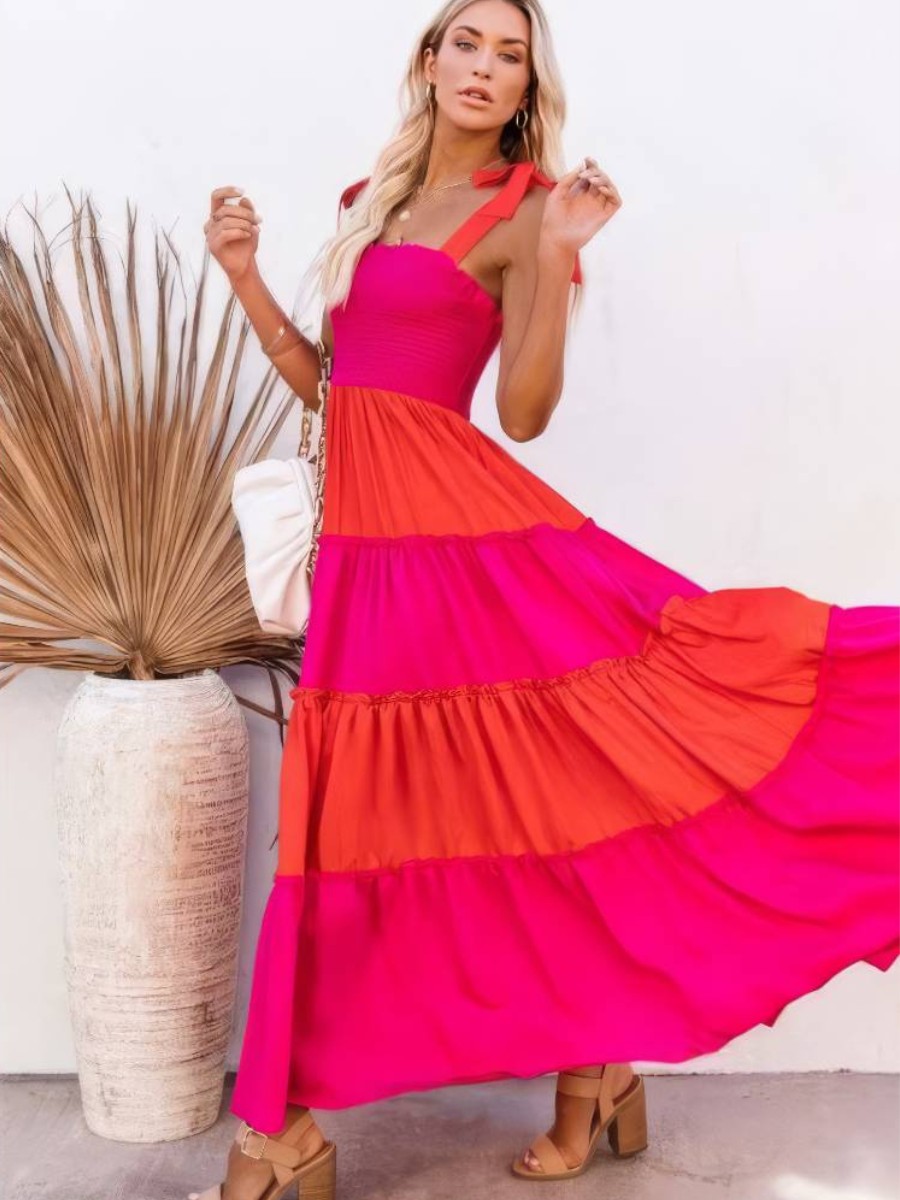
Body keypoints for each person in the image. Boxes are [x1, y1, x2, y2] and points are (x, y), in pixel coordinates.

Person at [194, 1, 900, 1196]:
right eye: (466, 43)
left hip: (459, 549)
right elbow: (335, 390)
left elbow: (521, 415)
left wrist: (562, 256)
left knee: (538, 802)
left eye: (509, 54)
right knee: (385, 825)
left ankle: (311, 1122)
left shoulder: (528, 212)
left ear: (529, 85)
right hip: (369, 552)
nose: (483, 66)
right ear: (429, 59)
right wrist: (246, 278)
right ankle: (550, 1076)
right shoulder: (368, 201)